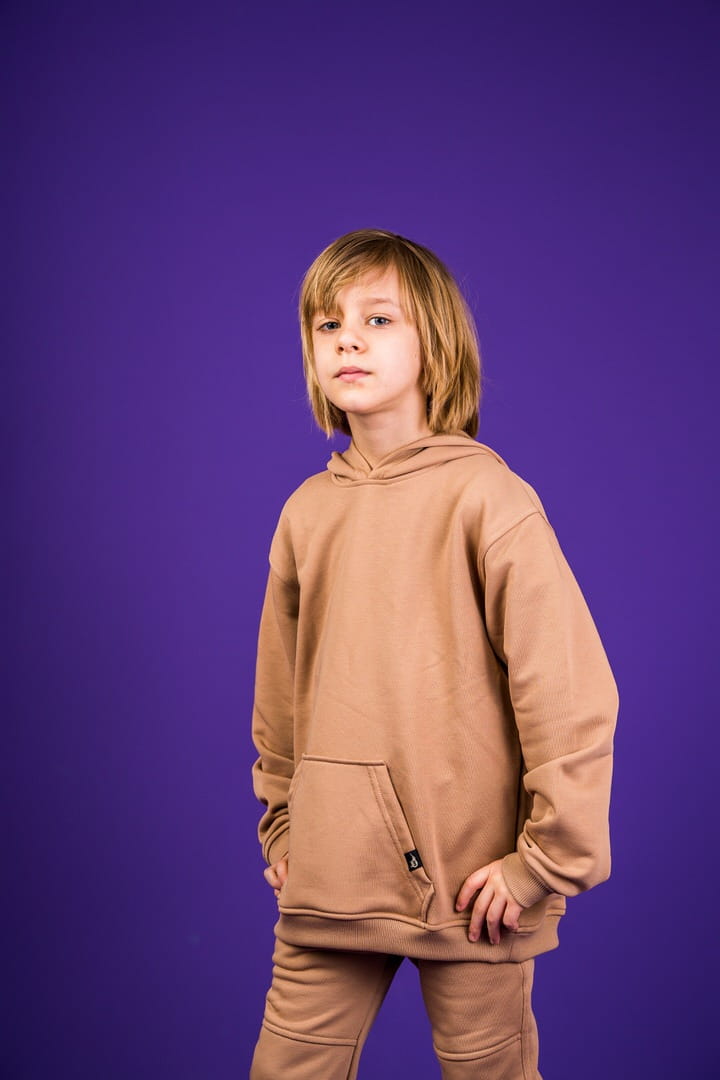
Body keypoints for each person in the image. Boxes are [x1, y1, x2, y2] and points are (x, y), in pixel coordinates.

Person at [249, 228, 619, 1079]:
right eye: (328, 324)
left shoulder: (488, 498)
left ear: (436, 346)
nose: (347, 340)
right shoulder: (306, 512)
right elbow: (280, 695)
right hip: (332, 877)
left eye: (377, 320)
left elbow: (568, 694)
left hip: (474, 888)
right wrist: (284, 825)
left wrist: (542, 865)